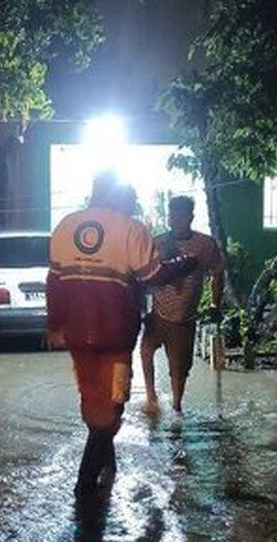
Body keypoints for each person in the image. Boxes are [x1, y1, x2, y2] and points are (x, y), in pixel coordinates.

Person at [47, 171, 194, 497]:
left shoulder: (65, 226)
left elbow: (54, 281)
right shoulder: (131, 230)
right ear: (124, 199)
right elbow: (154, 276)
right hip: (117, 338)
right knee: (114, 402)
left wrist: (54, 325)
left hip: (77, 338)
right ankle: (85, 484)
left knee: (92, 400)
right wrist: (184, 264)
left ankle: (106, 468)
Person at [140, 195, 224, 413]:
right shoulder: (158, 243)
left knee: (179, 370)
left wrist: (215, 304)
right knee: (145, 351)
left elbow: (218, 272)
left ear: (190, 217)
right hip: (158, 314)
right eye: (172, 215)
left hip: (184, 320)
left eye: (180, 216)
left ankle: (177, 408)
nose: (174, 220)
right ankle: (151, 398)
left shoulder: (204, 245)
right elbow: (143, 276)